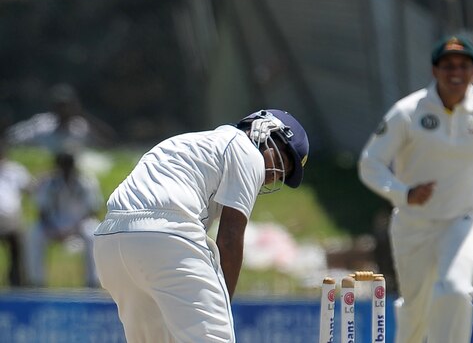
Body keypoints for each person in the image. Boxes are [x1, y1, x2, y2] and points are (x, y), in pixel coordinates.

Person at [93, 109, 309, 342]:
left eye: (280, 176)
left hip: (109, 243)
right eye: (278, 161)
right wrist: (220, 308)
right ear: (263, 130)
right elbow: (230, 237)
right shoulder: (246, 151)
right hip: (165, 239)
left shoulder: (188, 142)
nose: (272, 176)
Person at [358, 36, 473, 343]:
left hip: (463, 219)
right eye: (447, 66)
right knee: (416, 310)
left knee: (456, 290)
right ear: (435, 71)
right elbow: (370, 163)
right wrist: (403, 192)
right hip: (413, 223)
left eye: (463, 66)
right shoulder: (408, 111)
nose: (455, 73)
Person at [27, 149, 102, 287]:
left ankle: (92, 282)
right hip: (54, 223)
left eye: (68, 165)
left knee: (92, 233)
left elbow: (92, 210)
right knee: (35, 233)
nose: (65, 169)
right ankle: (36, 281)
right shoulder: (48, 183)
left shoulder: (86, 182)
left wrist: (73, 229)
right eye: (63, 166)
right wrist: (54, 228)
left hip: (79, 223)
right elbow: (42, 210)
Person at [6, 83, 114, 153]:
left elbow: (108, 143)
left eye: (67, 105)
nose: (63, 109)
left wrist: (82, 114)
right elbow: (12, 138)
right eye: (59, 105)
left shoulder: (81, 127)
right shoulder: (41, 124)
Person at [0, 138, 32, 286]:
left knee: (18, 249)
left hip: (11, 222)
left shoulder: (15, 171)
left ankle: (17, 284)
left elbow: (30, 188)